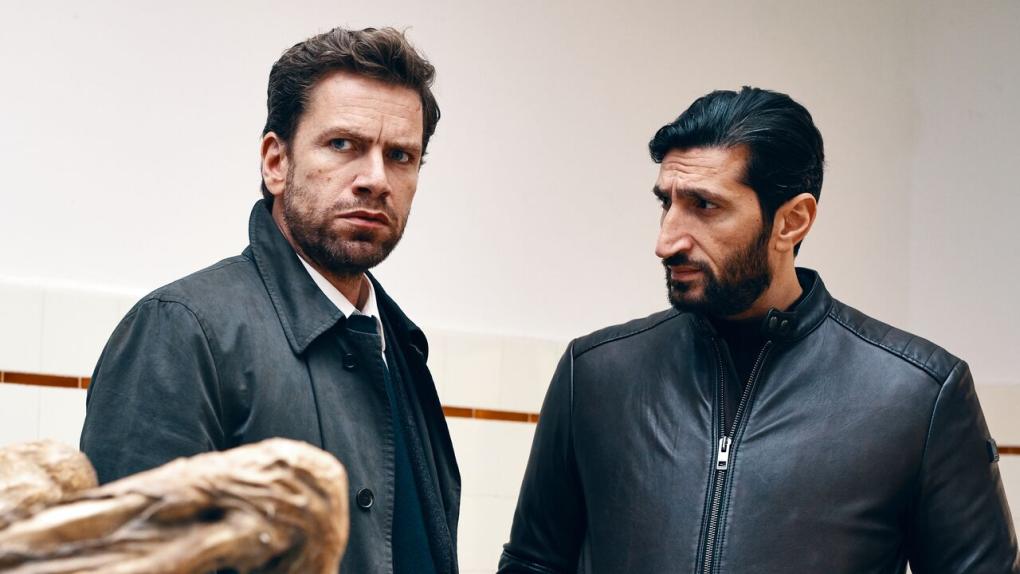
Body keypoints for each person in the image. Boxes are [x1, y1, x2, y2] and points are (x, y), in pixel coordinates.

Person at [499, 87, 1018, 573]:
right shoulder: (595, 374)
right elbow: (532, 564)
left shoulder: (919, 396)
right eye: (666, 202)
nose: (666, 241)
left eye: (704, 205)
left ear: (792, 221)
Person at [80, 27, 459, 574]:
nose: (376, 179)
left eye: (400, 155)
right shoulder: (182, 331)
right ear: (275, 162)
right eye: (343, 144)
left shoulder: (400, 345)